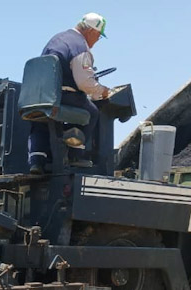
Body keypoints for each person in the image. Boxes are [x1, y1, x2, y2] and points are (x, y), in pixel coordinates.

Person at [28, 12, 112, 174]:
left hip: (38, 96)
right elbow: (85, 83)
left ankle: (37, 162)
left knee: (41, 121)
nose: (97, 41)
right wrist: (102, 92)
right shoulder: (80, 47)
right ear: (92, 31)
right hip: (60, 96)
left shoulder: (57, 39)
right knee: (91, 112)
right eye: (99, 37)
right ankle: (74, 155)